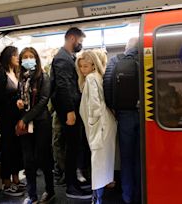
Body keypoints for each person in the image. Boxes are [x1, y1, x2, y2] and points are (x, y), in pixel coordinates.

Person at [50, 27, 92, 199]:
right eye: (81, 41)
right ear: (73, 38)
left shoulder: (70, 58)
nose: (81, 45)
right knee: (71, 149)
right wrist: (69, 111)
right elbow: (63, 86)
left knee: (76, 147)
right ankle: (71, 186)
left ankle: (75, 181)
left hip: (74, 108)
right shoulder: (62, 58)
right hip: (69, 111)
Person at [76, 50, 117, 204]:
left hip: (99, 125)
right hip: (106, 124)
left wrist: (93, 127)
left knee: (98, 163)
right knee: (103, 162)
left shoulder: (91, 78)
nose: (82, 70)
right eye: (80, 66)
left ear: (93, 65)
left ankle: (97, 199)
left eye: (85, 66)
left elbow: (94, 107)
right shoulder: (99, 76)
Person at [103, 37, 141, 203]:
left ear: (127, 48)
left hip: (124, 115)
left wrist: (114, 109)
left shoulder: (115, 61)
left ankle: (127, 197)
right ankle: (141, 195)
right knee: (141, 158)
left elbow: (107, 86)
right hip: (146, 115)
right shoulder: (147, 58)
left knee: (126, 158)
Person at [15, 47, 55, 204]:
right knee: (28, 160)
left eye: (31, 56)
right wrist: (18, 101)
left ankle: (50, 191)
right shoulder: (22, 78)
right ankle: (31, 195)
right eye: (25, 57)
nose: (28, 59)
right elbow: (20, 96)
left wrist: (25, 119)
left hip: (41, 122)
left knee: (43, 158)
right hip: (25, 123)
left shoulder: (43, 76)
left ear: (36, 59)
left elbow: (43, 100)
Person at [0, 46, 25, 196]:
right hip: (6, 118)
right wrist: (14, 102)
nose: (17, 58)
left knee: (17, 149)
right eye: (15, 55)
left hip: (16, 117)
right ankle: (6, 182)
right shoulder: (1, 74)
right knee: (7, 149)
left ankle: (16, 180)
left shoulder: (16, 72)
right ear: (8, 57)